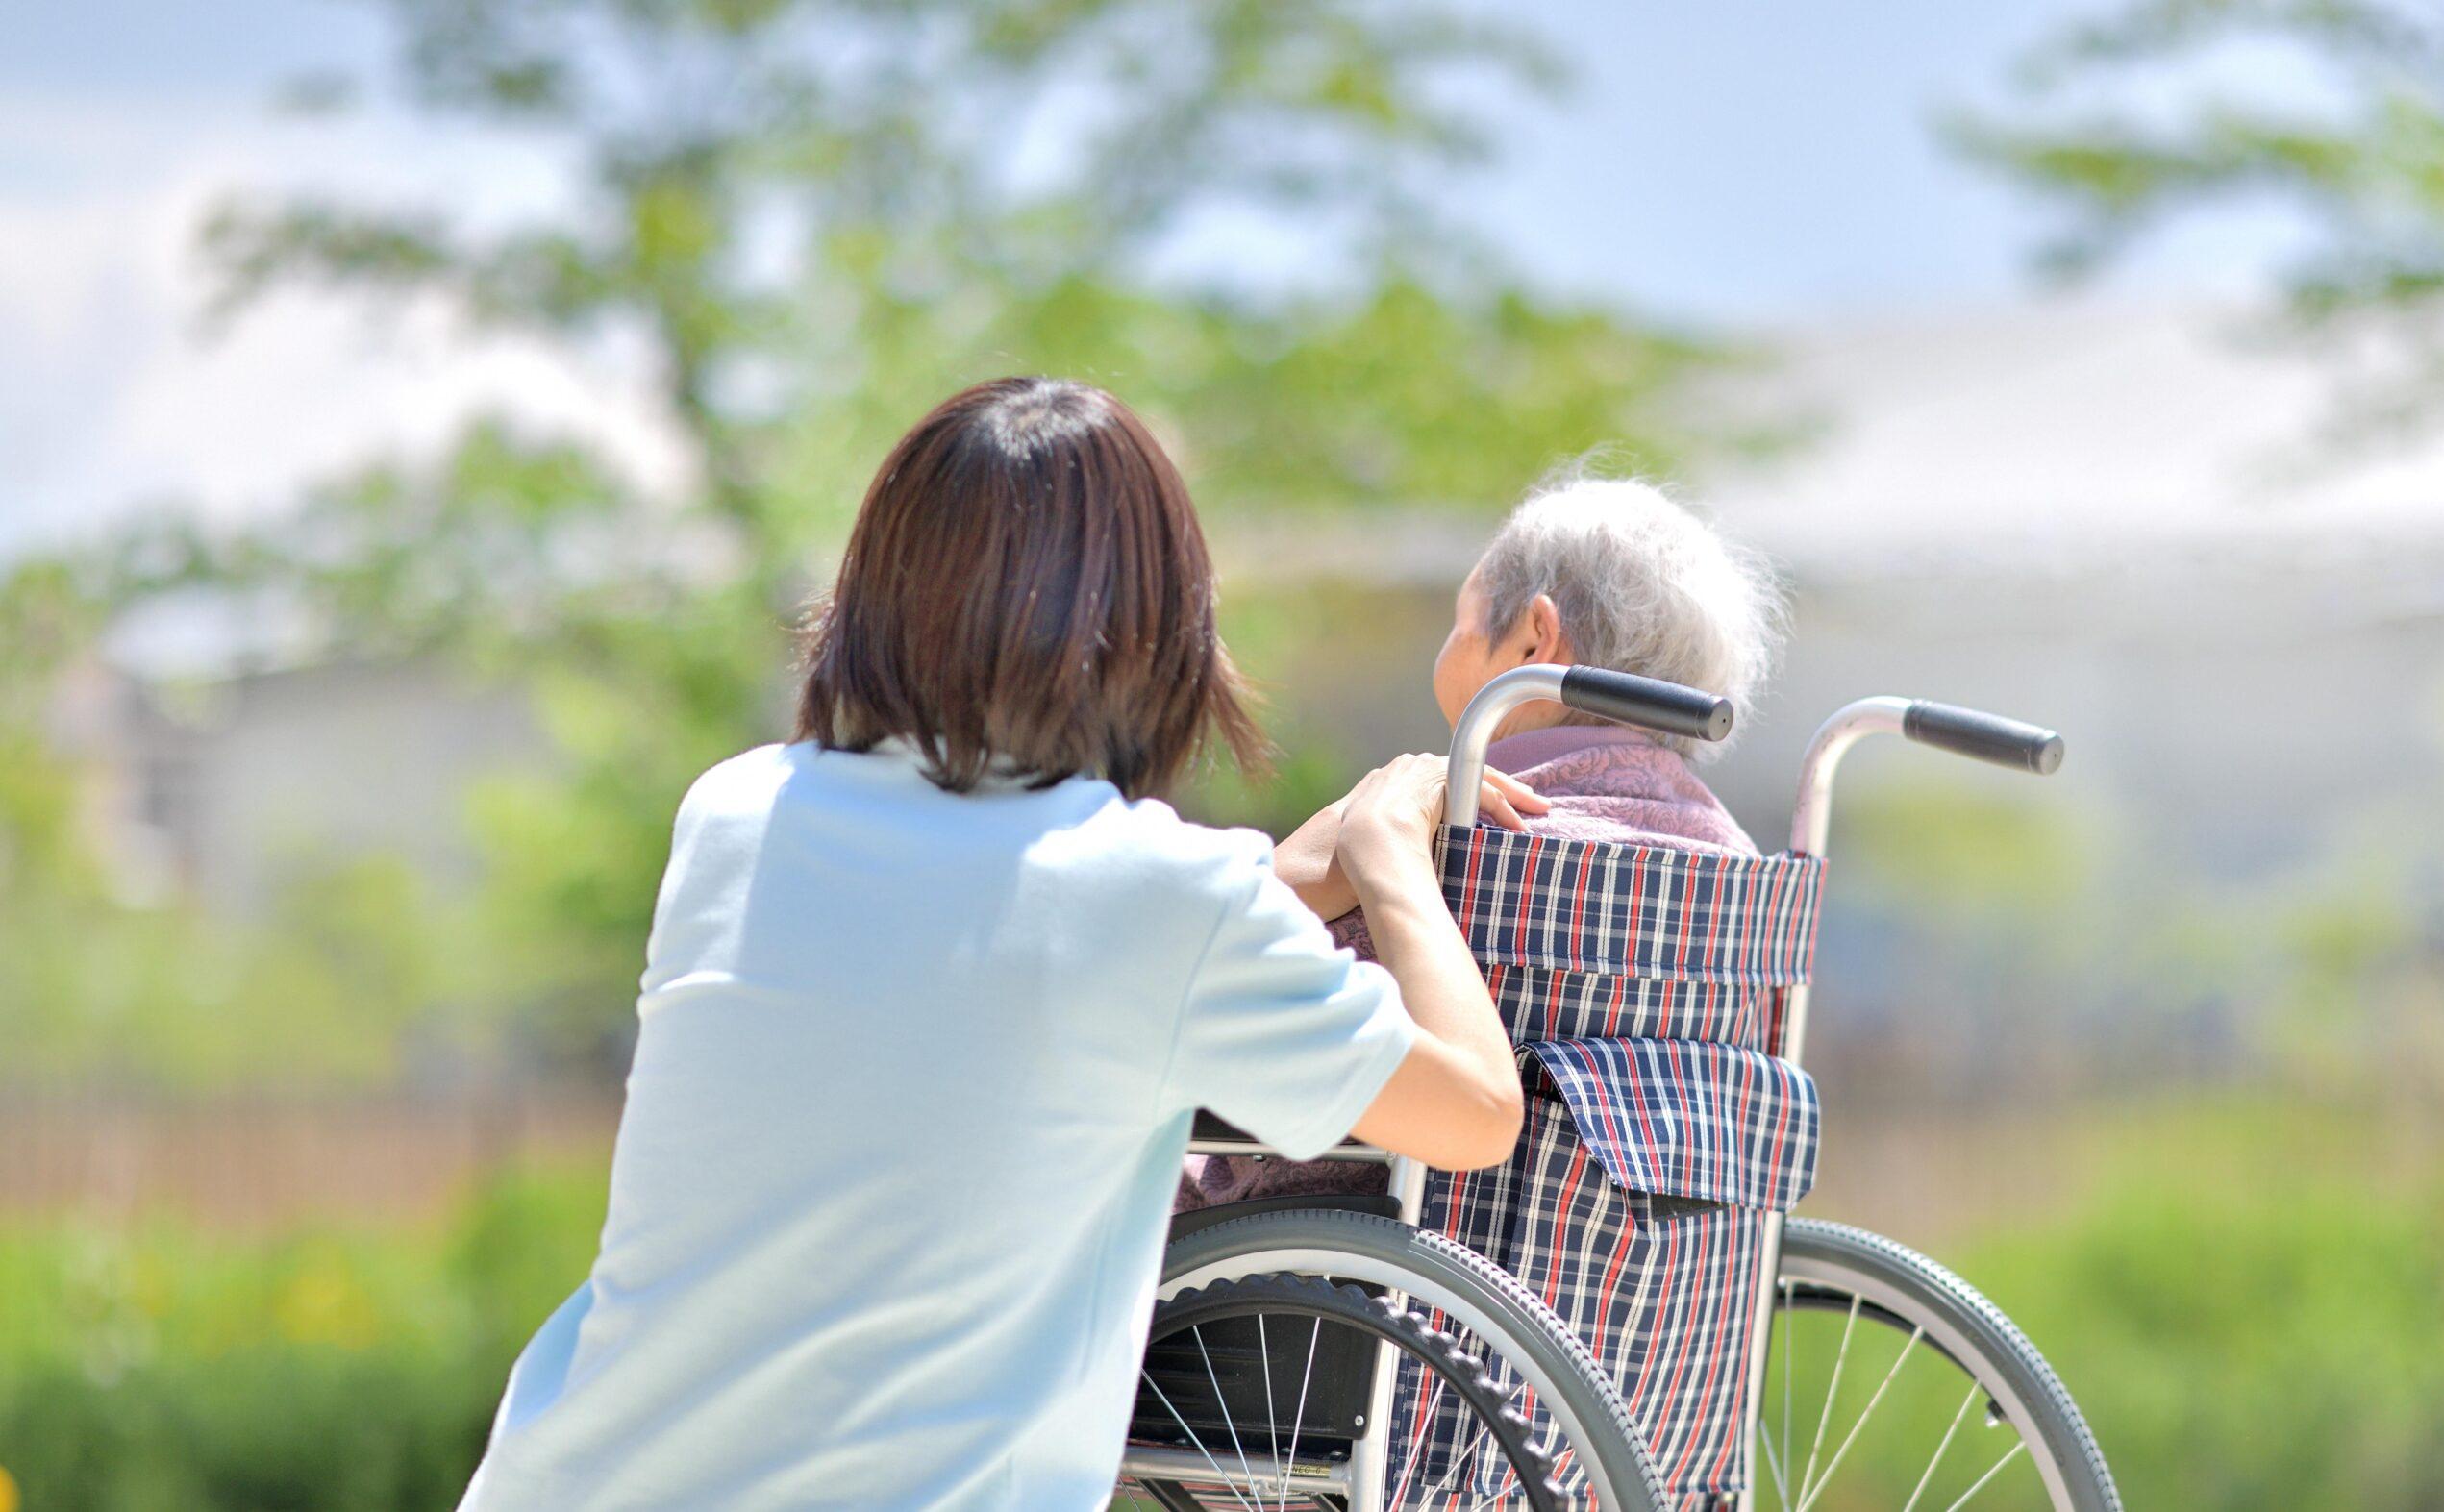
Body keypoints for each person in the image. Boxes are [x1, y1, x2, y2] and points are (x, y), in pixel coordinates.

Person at [456, 377, 1543, 1512]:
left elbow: (978, 952)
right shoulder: (1162, 903)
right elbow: (1474, 1110)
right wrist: (1384, 852)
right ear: (1154, 633)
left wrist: (1260, 881)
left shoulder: (732, 815)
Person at [1182, 470, 1783, 1211]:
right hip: (1622, 1301)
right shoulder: (1740, 872)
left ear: (1536, 633)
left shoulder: (1448, 834)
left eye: (1460, 619)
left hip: (1314, 1287)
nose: (1452, 639)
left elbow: (1203, 977)